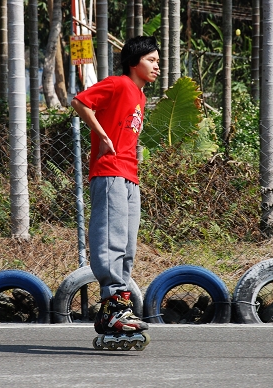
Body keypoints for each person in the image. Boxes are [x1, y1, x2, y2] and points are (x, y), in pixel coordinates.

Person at [71, 36, 160, 335]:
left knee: (126, 245)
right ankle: (112, 307)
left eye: (158, 61)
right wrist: (103, 136)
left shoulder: (140, 95)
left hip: (129, 176)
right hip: (109, 172)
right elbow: (81, 102)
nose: (157, 66)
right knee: (110, 241)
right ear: (134, 62)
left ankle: (117, 309)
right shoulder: (120, 84)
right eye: (151, 60)